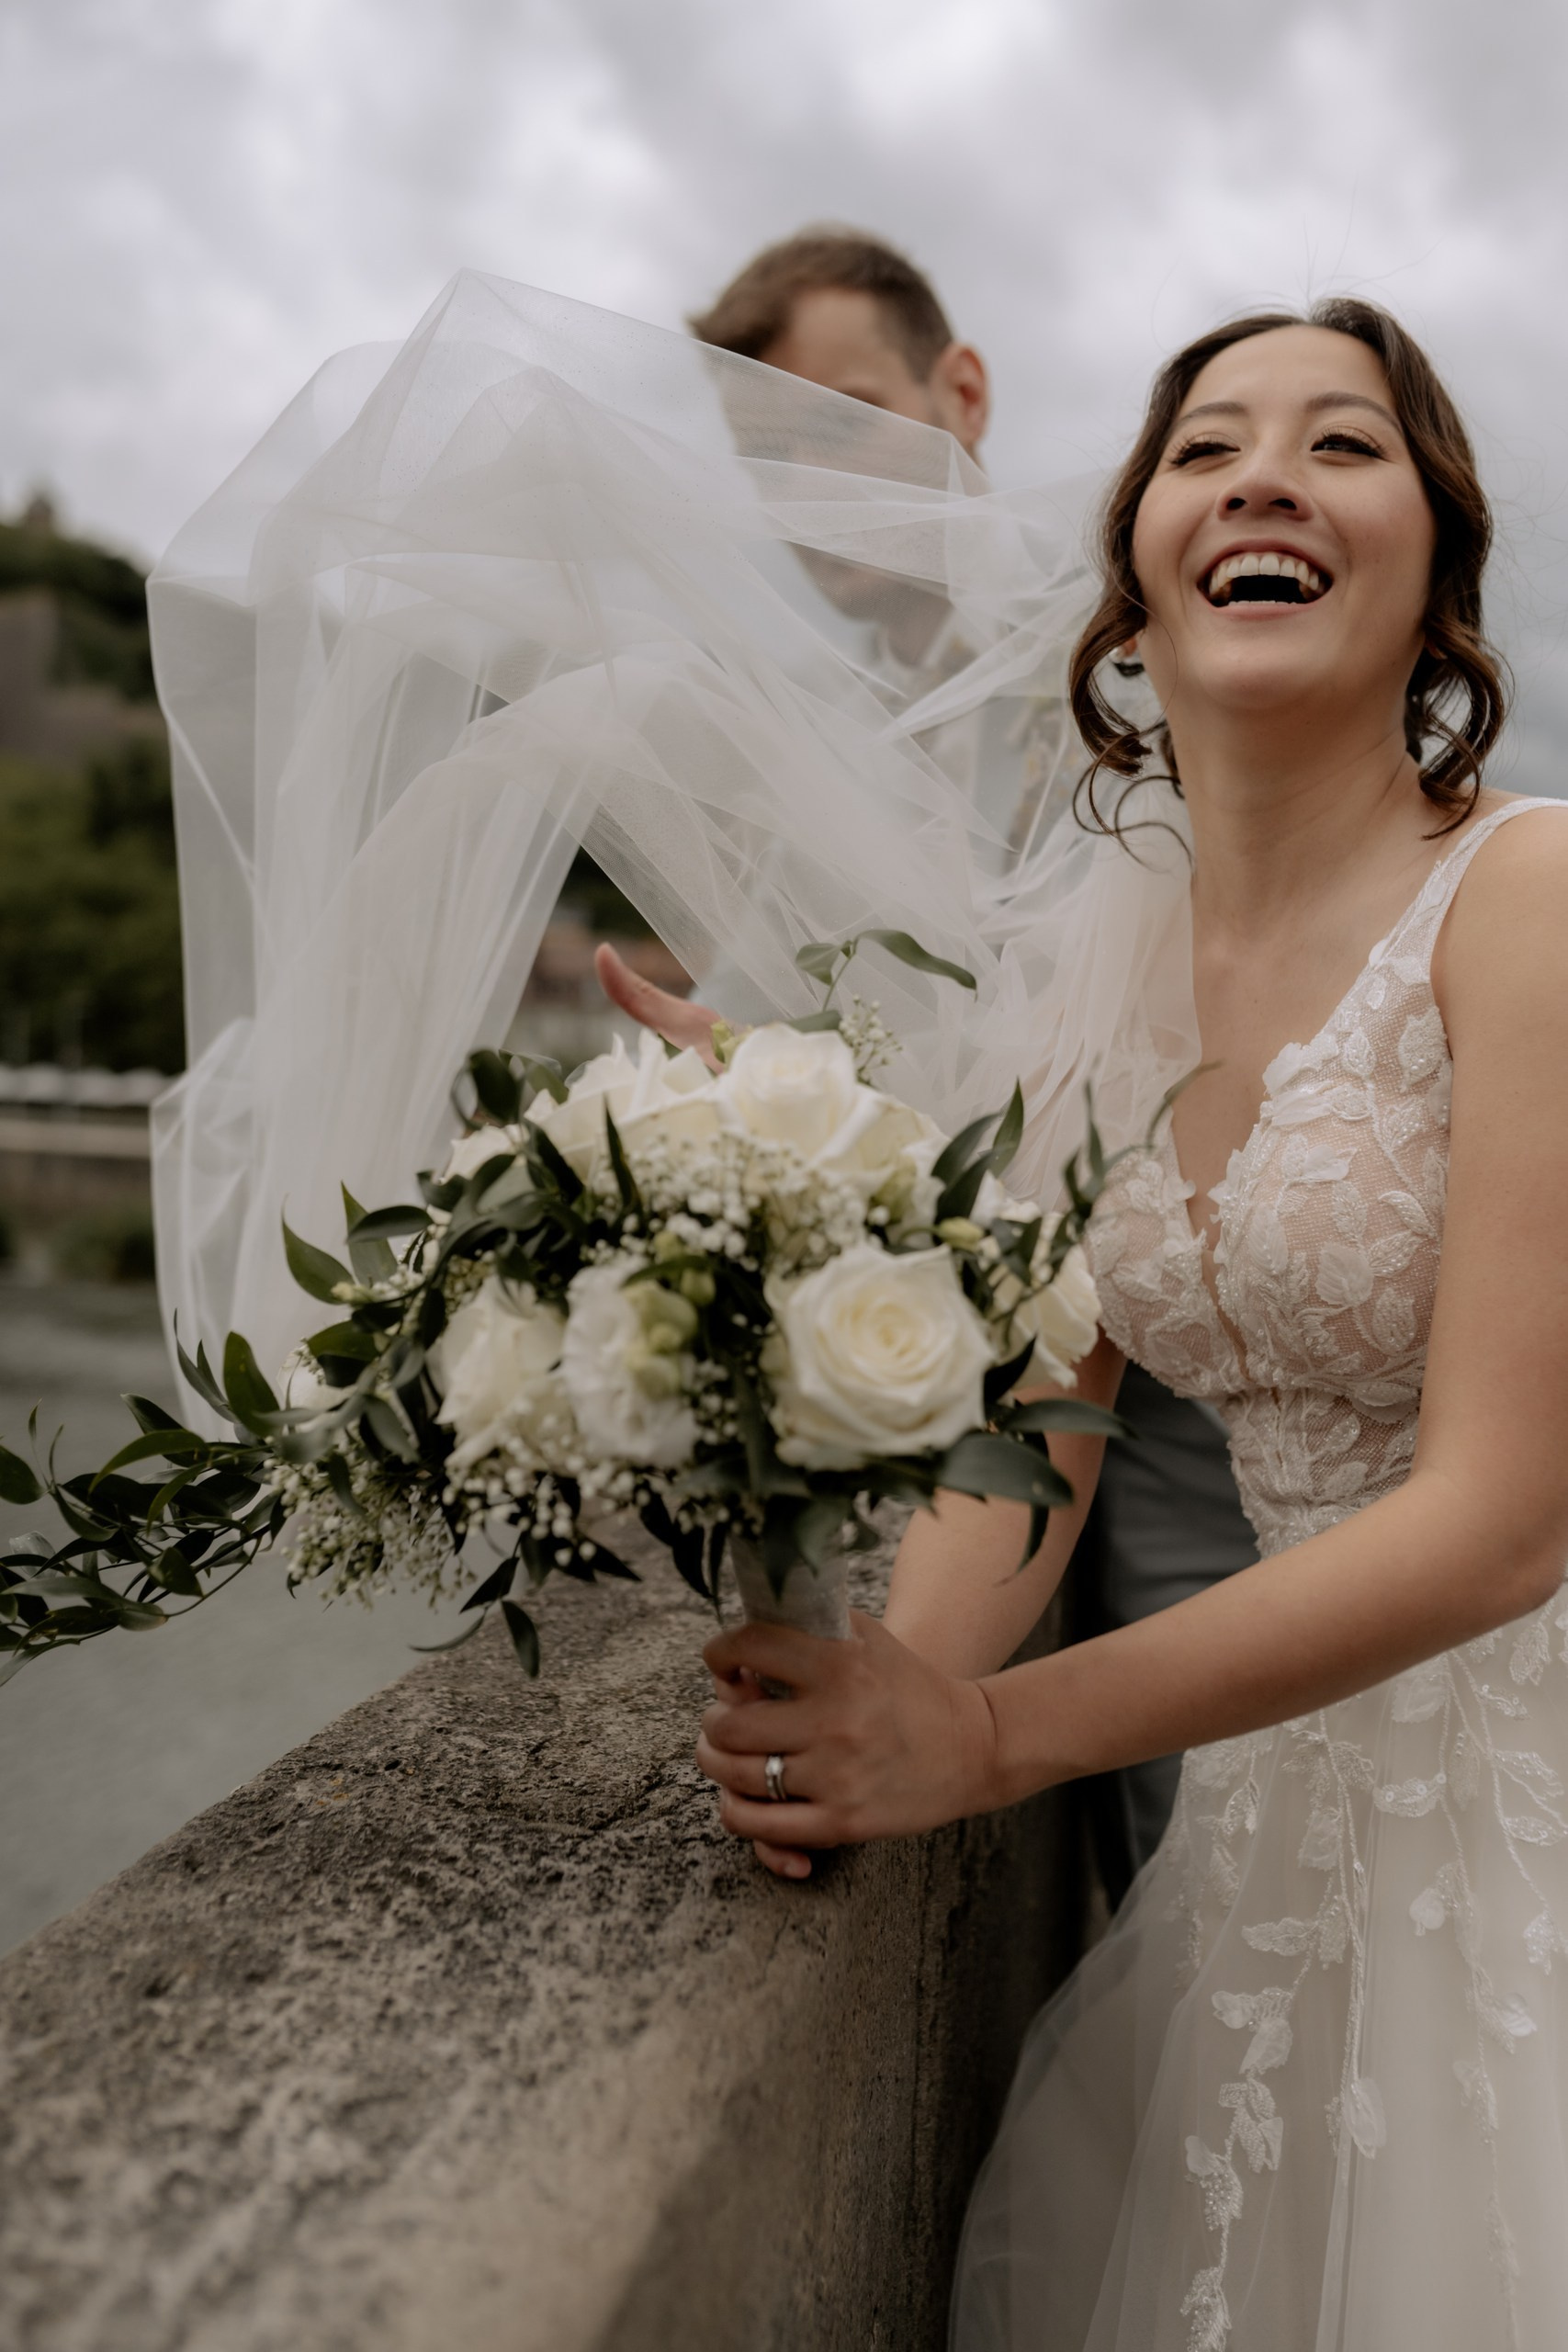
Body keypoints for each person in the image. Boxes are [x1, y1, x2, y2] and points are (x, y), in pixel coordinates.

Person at [692, 298, 1568, 2345]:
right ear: (1135, 581)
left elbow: (1506, 1518)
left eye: (1341, 445)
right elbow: (1041, 1422)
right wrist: (886, 1692)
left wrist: (986, 1738)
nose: (1264, 478)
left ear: (1436, 571)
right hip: (1267, 1825)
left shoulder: (1529, 897)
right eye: (1205, 447)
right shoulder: (1105, 959)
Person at [602, 227, 1259, 1904]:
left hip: (1219, 1397)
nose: (811, 498)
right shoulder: (867, 732)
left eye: (840, 429)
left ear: (961, 391)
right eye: (770, 463)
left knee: (1231, 1873)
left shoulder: (1145, 652)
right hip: (1028, 1400)